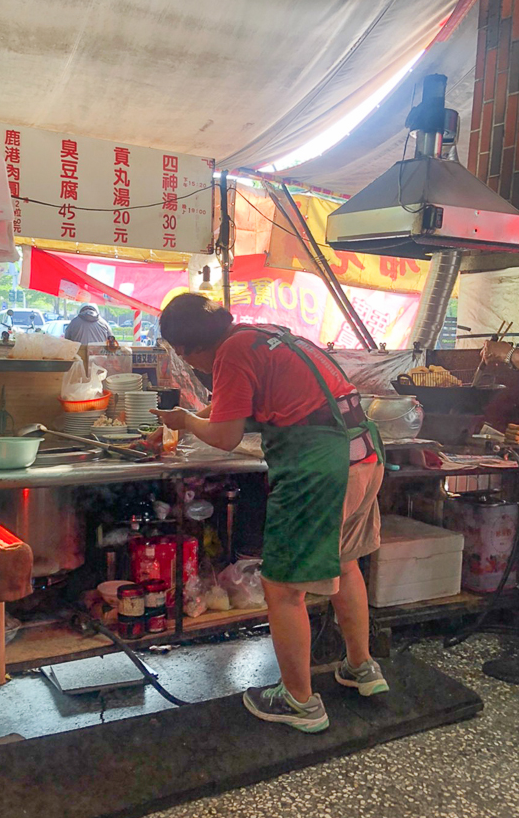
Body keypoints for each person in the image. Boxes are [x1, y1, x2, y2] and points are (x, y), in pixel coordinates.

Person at [151, 293, 388, 733]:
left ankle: (300, 702)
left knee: (281, 588)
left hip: (320, 469)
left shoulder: (230, 354)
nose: (192, 365)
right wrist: (187, 418)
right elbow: (226, 410)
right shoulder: (260, 336)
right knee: (345, 562)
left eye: (185, 356)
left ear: (188, 349)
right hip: (362, 456)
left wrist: (185, 420)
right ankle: (361, 667)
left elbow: (222, 435)